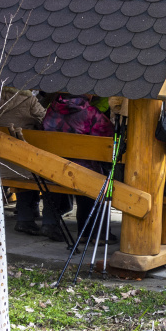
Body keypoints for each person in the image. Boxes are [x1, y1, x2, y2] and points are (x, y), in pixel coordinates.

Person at [42, 93, 117, 244]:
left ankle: (84, 233)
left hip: (54, 168)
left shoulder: (52, 109)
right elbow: (108, 138)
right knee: (98, 179)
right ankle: (99, 235)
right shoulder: (91, 113)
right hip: (83, 170)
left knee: (87, 175)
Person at [0, 87, 47, 236]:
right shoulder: (29, 100)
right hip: (20, 160)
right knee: (31, 169)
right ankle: (25, 219)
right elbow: (45, 119)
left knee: (21, 169)